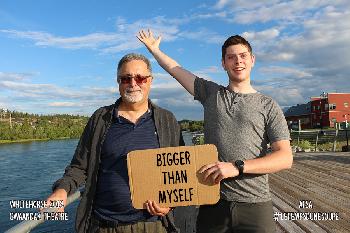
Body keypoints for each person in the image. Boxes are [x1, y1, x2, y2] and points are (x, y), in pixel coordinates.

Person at [138, 29, 293, 233]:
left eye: (243, 56)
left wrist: (236, 167)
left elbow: (285, 157)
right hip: (212, 201)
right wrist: (155, 50)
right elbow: (176, 70)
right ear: (224, 63)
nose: (238, 61)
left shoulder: (268, 105)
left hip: (255, 204)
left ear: (252, 60)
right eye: (231, 57)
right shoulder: (211, 94)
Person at [45, 53, 183, 233]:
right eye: (126, 78)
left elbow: (179, 172)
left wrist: (170, 205)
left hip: (154, 225)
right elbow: (79, 166)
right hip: (105, 225)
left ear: (150, 80)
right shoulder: (100, 119)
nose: (133, 83)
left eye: (140, 78)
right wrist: (62, 190)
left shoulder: (167, 120)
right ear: (118, 82)